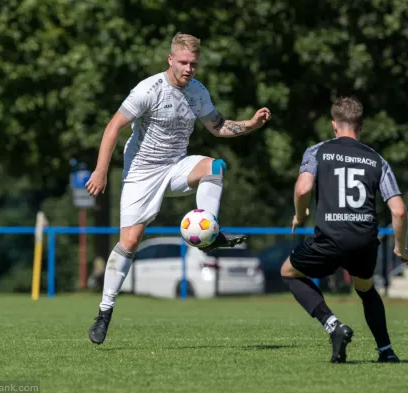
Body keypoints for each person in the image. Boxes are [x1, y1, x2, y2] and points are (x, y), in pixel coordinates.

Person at [85, 32, 271, 344]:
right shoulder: (149, 89)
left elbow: (217, 126)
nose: (188, 69)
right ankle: (105, 311)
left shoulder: (197, 92)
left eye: (193, 64)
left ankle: (208, 233)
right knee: (129, 242)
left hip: (174, 168)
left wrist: (250, 125)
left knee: (215, 167)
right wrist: (101, 170)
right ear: (170, 60)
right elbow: (113, 126)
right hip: (141, 174)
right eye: (183, 62)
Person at [280, 96, 408, 363]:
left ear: (334, 125)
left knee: (288, 272)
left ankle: (332, 325)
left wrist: (300, 214)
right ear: (361, 127)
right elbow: (399, 210)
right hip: (364, 240)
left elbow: (303, 188)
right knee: (365, 288)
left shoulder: (317, 151)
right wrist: (399, 247)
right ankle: (386, 351)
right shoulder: (377, 160)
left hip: (330, 237)